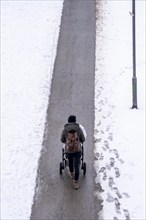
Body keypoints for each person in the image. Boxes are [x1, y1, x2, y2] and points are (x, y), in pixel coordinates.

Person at [61, 115, 86, 189]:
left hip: (68, 150)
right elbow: (83, 139)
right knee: (77, 165)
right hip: (77, 150)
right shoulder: (78, 128)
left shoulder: (65, 129)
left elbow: (62, 140)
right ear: (75, 121)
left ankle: (71, 172)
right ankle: (75, 182)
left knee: (70, 161)